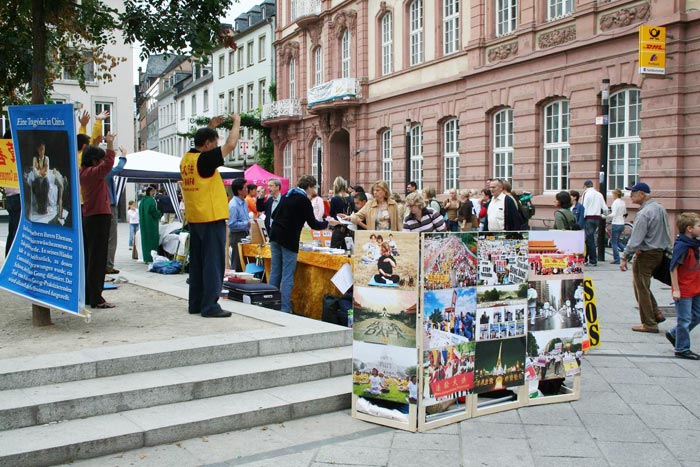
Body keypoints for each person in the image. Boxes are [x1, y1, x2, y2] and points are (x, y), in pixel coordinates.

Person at [180, 114, 241, 318]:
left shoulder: (187, 159)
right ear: (207, 145)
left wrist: (210, 127)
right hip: (211, 217)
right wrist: (237, 121)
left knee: (197, 264)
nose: (217, 147)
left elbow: (204, 143)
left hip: (195, 218)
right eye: (214, 144)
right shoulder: (205, 160)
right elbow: (231, 144)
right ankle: (210, 306)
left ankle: (196, 303)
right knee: (213, 263)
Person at [269, 174, 339, 313]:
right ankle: (285, 308)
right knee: (287, 274)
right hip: (289, 238)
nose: (314, 191)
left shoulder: (287, 195)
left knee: (275, 271)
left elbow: (273, 214)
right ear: (309, 187)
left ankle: (271, 303)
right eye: (314, 188)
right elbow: (314, 224)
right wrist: (328, 223)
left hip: (275, 235)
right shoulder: (303, 200)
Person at [620, 182, 672, 333]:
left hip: (646, 253)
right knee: (643, 286)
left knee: (641, 287)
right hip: (659, 251)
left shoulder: (644, 213)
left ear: (642, 194)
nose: (630, 196)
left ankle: (649, 323)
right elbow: (666, 231)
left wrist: (625, 256)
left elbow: (636, 239)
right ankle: (656, 313)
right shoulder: (660, 208)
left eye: (633, 193)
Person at [80, 132, 117, 309]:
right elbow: (108, 164)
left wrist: (95, 143)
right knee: (98, 258)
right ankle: (96, 297)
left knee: (90, 257)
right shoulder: (93, 173)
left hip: (90, 216)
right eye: (99, 160)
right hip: (99, 216)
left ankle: (90, 295)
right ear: (95, 162)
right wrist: (109, 144)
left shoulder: (83, 172)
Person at [666, 212, 700, 359]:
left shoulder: (694, 245)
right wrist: (676, 290)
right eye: (699, 226)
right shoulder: (683, 246)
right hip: (684, 288)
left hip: (695, 286)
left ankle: (674, 333)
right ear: (689, 229)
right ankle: (682, 348)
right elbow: (673, 268)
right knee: (684, 319)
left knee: (697, 316)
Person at [105, 146, 127, 274]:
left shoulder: (89, 171)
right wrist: (123, 155)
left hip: (98, 207)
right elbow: (118, 168)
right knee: (112, 238)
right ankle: (108, 265)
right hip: (109, 206)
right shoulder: (104, 172)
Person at [581, 180, 607, 266]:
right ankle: (587, 259)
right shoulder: (599, 194)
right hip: (597, 218)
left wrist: (582, 219)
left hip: (588, 218)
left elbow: (583, 207)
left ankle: (592, 259)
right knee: (590, 238)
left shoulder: (586, 194)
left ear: (585, 186)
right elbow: (605, 208)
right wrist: (603, 215)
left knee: (589, 239)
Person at [228, 178, 250, 272]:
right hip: (237, 235)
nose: (247, 189)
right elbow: (232, 224)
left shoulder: (244, 202)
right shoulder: (233, 205)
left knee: (243, 262)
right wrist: (246, 223)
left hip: (245, 233)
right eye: (245, 188)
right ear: (239, 191)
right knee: (237, 261)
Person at [138, 186, 161, 264]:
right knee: (152, 240)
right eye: (153, 191)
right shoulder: (151, 200)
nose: (154, 192)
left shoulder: (142, 201)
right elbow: (153, 211)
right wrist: (160, 213)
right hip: (151, 224)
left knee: (145, 241)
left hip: (143, 224)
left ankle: (146, 258)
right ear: (151, 191)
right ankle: (151, 258)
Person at [606, 189, 627, 264]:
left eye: (612, 194)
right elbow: (625, 212)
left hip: (616, 223)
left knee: (614, 242)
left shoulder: (615, 202)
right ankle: (627, 251)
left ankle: (617, 259)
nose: (612, 196)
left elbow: (613, 214)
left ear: (615, 195)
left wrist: (604, 216)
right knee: (617, 241)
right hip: (622, 223)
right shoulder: (623, 202)